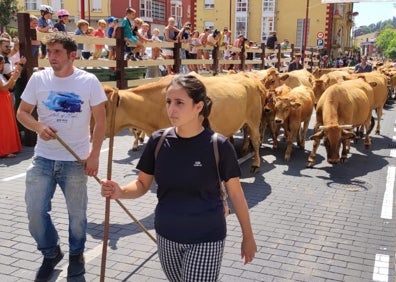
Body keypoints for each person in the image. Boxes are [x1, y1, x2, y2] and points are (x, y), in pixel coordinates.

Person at [101, 74, 257, 282]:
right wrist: (120, 191)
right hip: (166, 237)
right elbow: (141, 184)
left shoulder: (218, 145)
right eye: (168, 102)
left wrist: (248, 236)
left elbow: (236, 195)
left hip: (207, 238)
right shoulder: (158, 141)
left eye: (179, 103)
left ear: (198, 106)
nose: (171, 109)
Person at [16, 32, 107, 281]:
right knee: (35, 212)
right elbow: (22, 112)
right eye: (49, 51)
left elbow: (101, 121)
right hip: (43, 158)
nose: (51, 57)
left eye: (57, 52)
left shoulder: (88, 81)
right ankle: (50, 252)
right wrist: (38, 127)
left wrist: (95, 155)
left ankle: (76, 254)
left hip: (76, 161)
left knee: (77, 215)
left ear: (72, 55)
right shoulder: (38, 79)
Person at [0, 54, 22, 158]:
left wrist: (15, 78)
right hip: (2, 101)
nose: (2, 65)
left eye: (3, 63)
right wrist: (13, 77)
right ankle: (4, 150)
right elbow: (4, 88)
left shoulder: (1, 74)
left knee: (8, 124)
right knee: (4, 125)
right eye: (1, 63)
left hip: (5, 100)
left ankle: (8, 148)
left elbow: (10, 86)